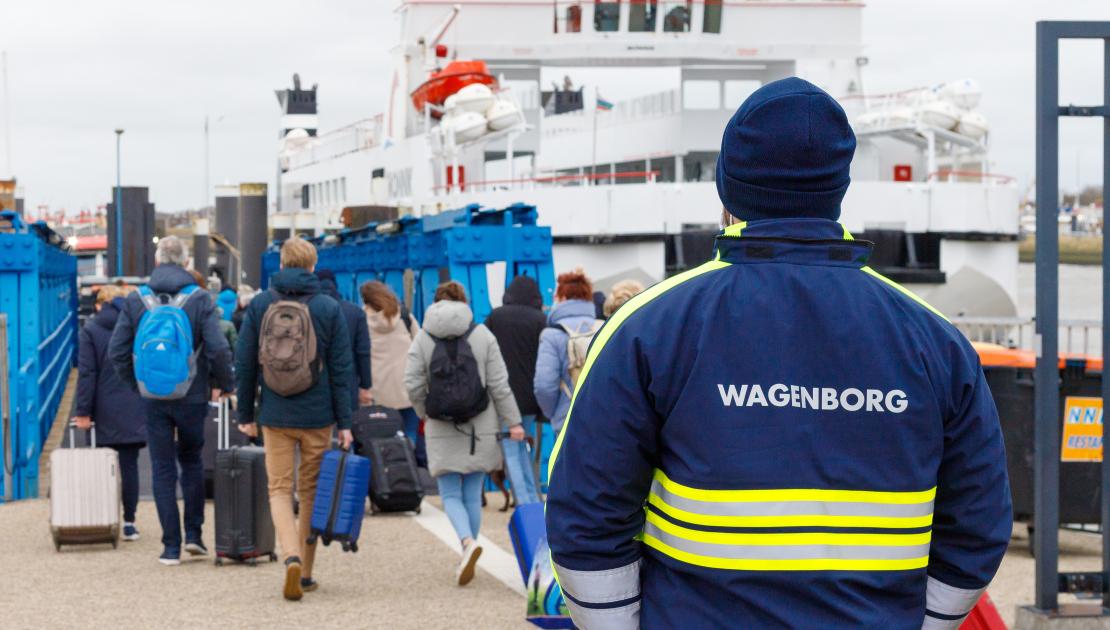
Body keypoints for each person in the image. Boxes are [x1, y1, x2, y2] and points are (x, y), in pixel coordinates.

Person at [545, 78, 1012, 629]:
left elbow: (584, 513)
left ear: (729, 187)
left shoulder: (648, 326)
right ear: (838, 186)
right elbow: (978, 524)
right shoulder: (936, 340)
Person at [234, 236, 354, 601]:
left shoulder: (260, 305)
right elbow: (341, 369)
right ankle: (306, 571)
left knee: (278, 489)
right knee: (312, 491)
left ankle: (289, 556)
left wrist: (245, 414)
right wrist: (345, 421)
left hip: (274, 412)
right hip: (318, 415)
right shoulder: (328, 307)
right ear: (313, 266)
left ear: (282, 264)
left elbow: (244, 364)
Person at [108, 235, 235, 566]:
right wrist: (225, 384)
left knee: (163, 468)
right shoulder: (200, 298)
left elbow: (117, 351)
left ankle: (170, 547)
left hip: (153, 396)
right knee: (191, 460)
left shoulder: (137, 299)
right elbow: (219, 348)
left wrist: (138, 385)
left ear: (157, 260)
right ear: (186, 263)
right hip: (192, 393)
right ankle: (194, 536)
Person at [404, 281, 524, 586]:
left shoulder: (423, 337)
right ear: (464, 302)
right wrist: (513, 422)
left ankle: (467, 544)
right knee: (472, 492)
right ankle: (469, 544)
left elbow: (413, 383)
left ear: (436, 302)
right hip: (479, 423)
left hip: (440, 422)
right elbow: (498, 383)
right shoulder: (482, 334)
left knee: (449, 493)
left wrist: (423, 412)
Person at [73, 285, 146, 542]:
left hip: (103, 408)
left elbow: (87, 373)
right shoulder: (136, 326)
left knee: (103, 467)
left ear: (98, 305)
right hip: (134, 404)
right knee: (129, 466)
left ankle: (104, 517)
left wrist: (83, 411)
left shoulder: (91, 329)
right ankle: (129, 522)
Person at [484, 276, 547, 505]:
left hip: (503, 395)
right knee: (523, 449)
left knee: (511, 449)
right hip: (531, 396)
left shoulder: (496, 317)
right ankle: (532, 499)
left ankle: (523, 502)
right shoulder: (540, 319)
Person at [360, 280, 424, 464]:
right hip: (407, 389)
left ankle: (387, 477)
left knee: (380, 437)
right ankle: (407, 474)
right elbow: (420, 347)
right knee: (409, 434)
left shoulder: (362, 320)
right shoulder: (404, 316)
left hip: (377, 393)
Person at [534, 270, 602, 434]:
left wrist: (553, 414)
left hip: (568, 419)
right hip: (605, 417)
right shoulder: (603, 327)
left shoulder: (552, 334)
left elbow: (544, 385)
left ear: (562, 298)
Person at [316, 269, 372, 412]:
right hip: (347, 386)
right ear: (336, 285)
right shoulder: (355, 312)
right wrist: (365, 385)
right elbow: (363, 352)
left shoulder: (306, 309)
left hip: (314, 389)